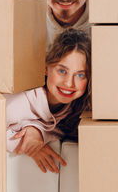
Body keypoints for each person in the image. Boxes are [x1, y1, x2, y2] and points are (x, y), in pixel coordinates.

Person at [6, 28, 91, 173]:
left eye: (80, 75)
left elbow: (56, 130)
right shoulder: (18, 103)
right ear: (46, 68)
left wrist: (38, 132)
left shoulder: (71, 109)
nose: (69, 83)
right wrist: (27, 144)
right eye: (62, 71)